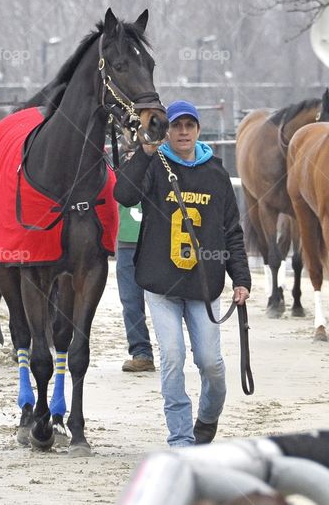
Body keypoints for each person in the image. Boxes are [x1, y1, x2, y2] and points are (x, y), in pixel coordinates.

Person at [114, 100, 251, 447]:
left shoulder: (216, 172)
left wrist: (242, 279)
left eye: (190, 125)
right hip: (160, 285)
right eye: (177, 126)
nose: (184, 132)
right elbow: (124, 194)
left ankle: (206, 418)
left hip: (203, 287)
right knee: (172, 357)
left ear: (198, 130)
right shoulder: (154, 165)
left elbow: (232, 230)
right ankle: (180, 437)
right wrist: (144, 152)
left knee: (211, 364)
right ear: (167, 130)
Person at [117, 203, 155, 371]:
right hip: (127, 237)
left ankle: (175, 352)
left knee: (169, 301)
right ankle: (141, 353)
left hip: (159, 241)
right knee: (130, 301)